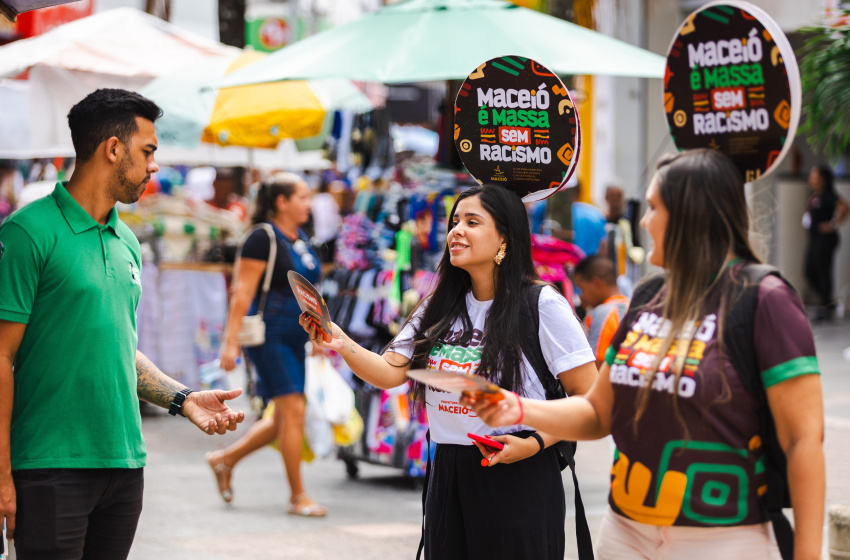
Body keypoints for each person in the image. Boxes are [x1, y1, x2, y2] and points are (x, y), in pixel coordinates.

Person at [466, 149, 825, 560]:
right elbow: (599, 414)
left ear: (692, 214)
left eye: (654, 208)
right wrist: (513, 407)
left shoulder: (766, 299)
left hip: (722, 538)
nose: (644, 222)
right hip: (625, 532)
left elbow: (803, 441)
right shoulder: (649, 297)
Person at [0, 88, 245, 560]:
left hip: (124, 466)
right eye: (148, 151)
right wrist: (2, 474)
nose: (154, 165)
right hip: (50, 466)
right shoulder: (26, 234)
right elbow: (1, 355)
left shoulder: (127, 240)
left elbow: (117, 346)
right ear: (113, 149)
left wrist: (183, 398)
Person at [301, 183, 597, 559]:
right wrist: (340, 340)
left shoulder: (542, 304)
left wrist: (533, 444)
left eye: (472, 222)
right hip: (447, 472)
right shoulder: (439, 305)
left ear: (504, 238)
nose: (456, 230)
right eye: (455, 221)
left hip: (518, 471)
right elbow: (389, 373)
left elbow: (589, 400)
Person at [208, 172, 327, 517]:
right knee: (292, 412)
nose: (309, 203)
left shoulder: (300, 238)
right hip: (270, 333)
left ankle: (224, 459)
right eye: (302, 197)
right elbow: (242, 292)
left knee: (286, 415)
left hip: (297, 331)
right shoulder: (262, 237)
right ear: (282, 202)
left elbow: (309, 292)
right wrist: (230, 344)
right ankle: (298, 496)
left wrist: (318, 331)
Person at [803, 164, 848, 321]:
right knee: (809, 271)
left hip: (826, 240)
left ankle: (825, 307)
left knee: (823, 272)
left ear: (822, 179)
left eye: (814, 175)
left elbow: (844, 207)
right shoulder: (815, 196)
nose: (811, 178)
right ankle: (827, 301)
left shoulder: (829, 196)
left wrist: (833, 224)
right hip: (814, 238)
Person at [573, 255, 630, 369]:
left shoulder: (602, 313)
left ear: (595, 282)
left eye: (581, 288)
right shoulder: (632, 305)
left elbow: (596, 366)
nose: (581, 296)